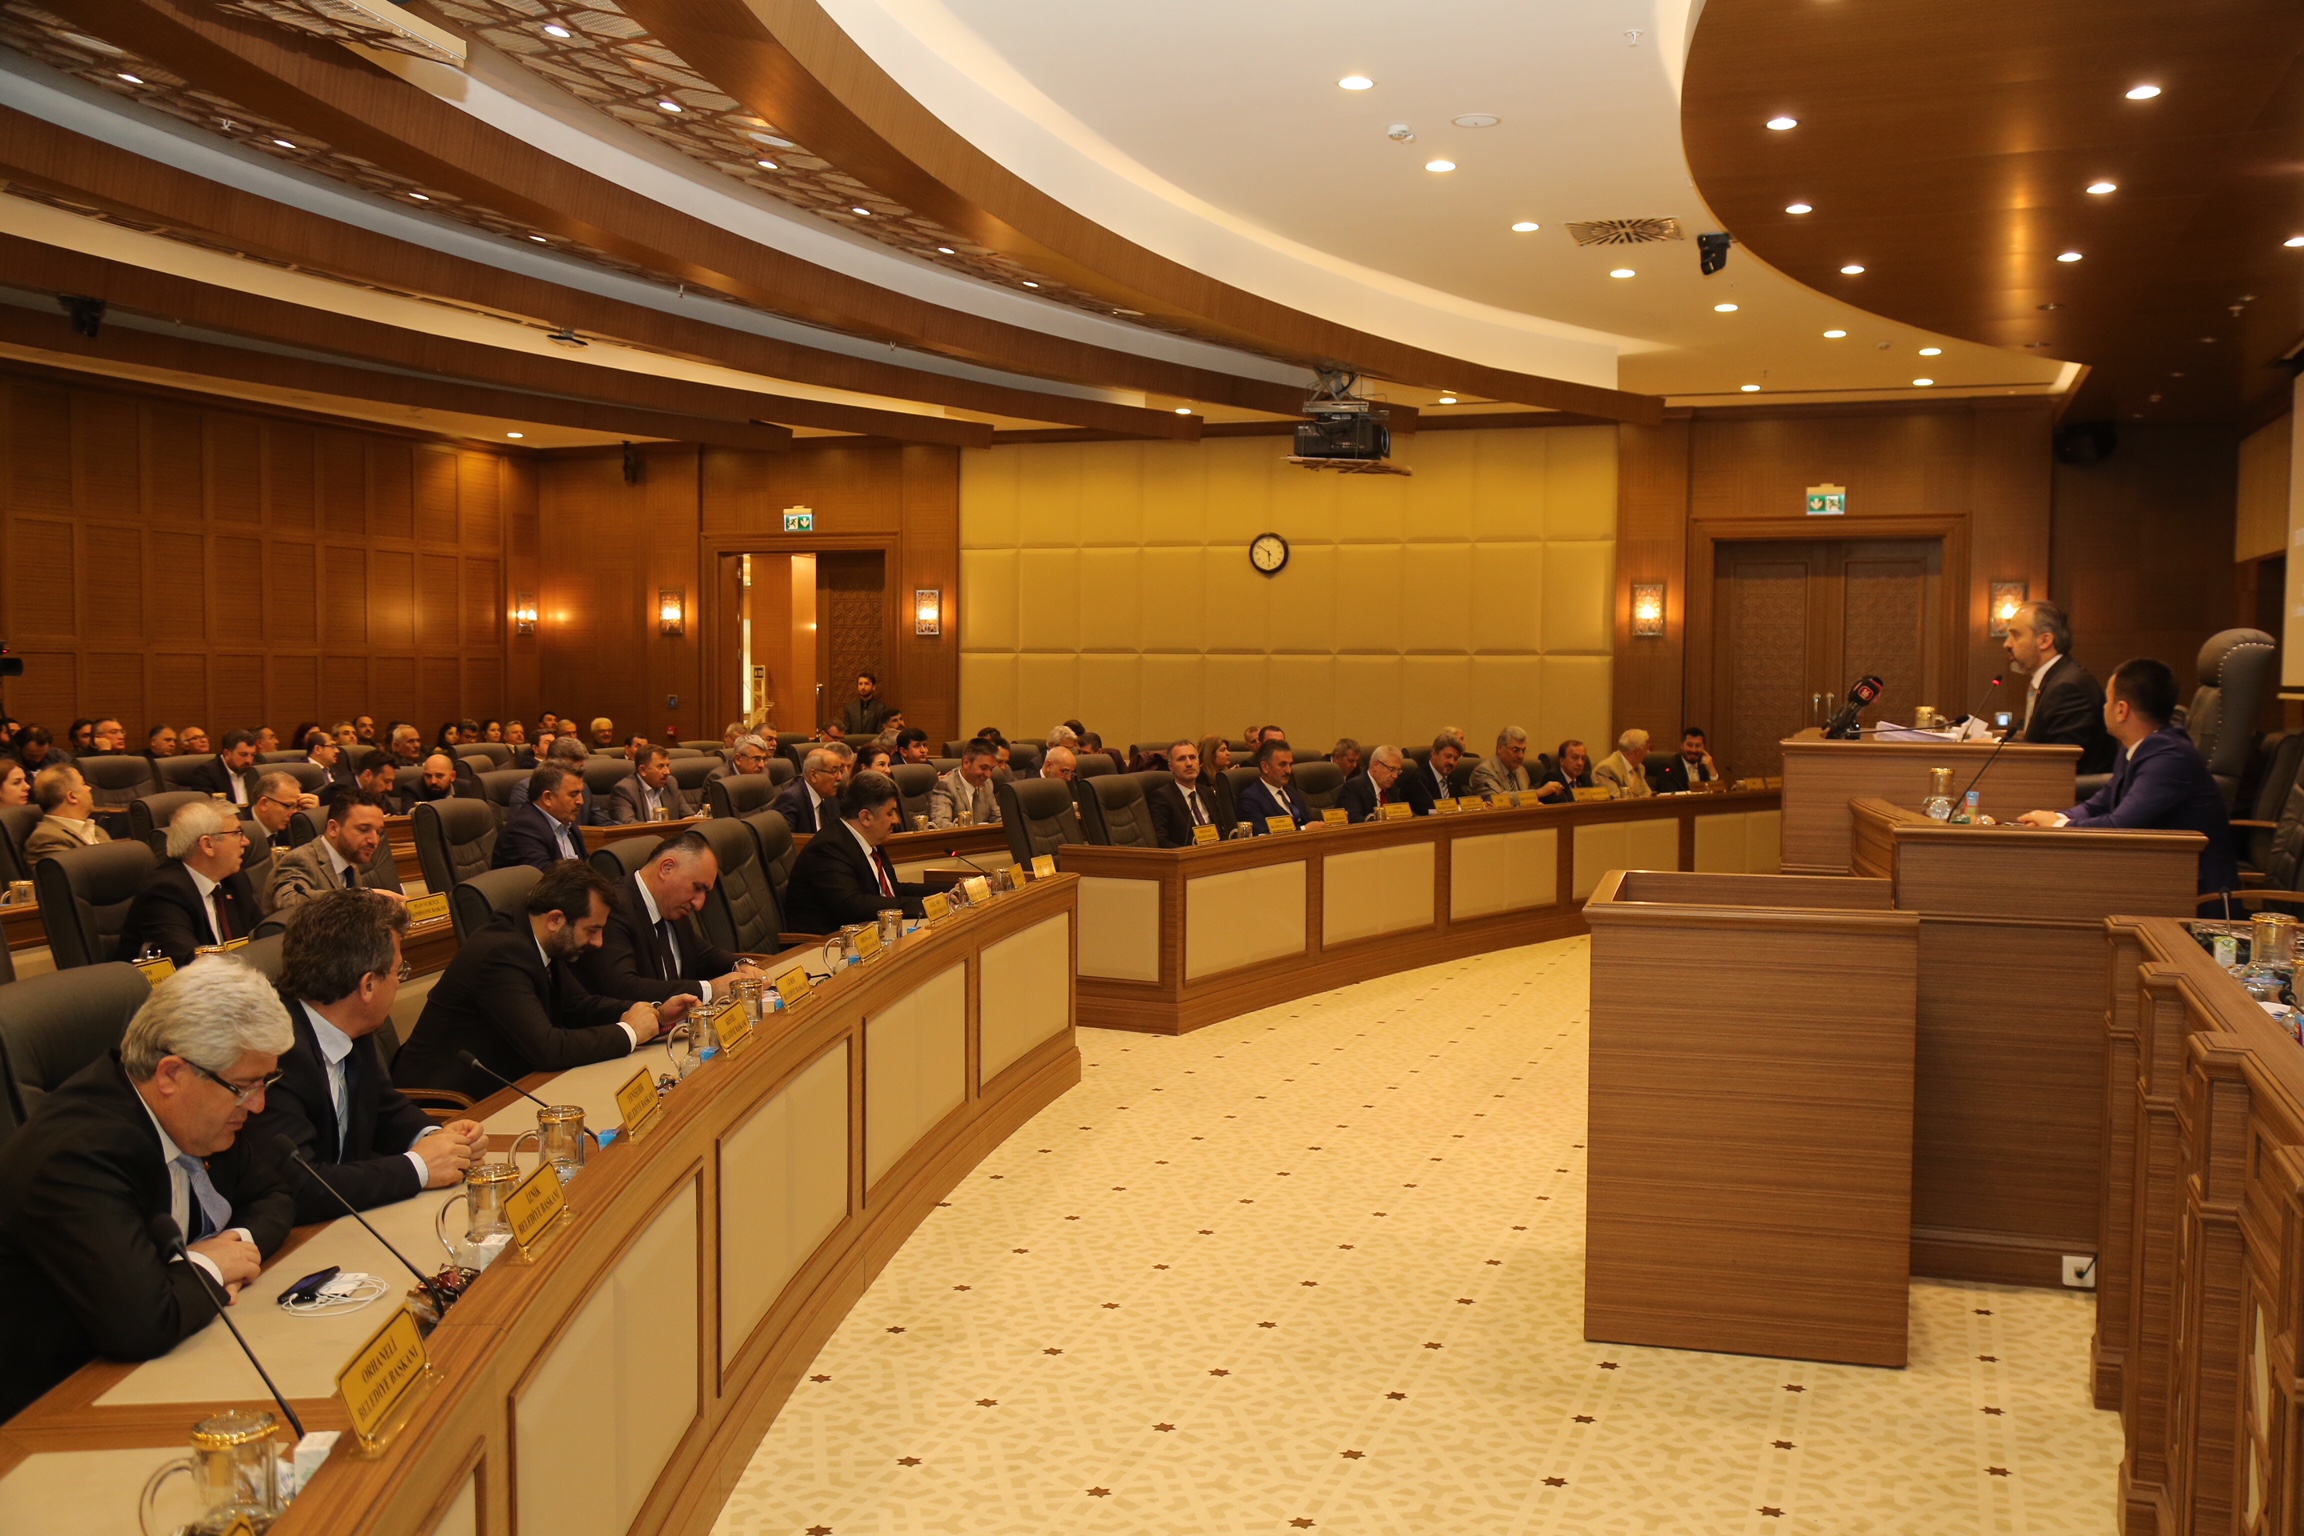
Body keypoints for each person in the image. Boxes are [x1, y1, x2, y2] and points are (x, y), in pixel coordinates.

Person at [0, 958, 297, 1422]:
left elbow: (275, 1196)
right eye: (244, 1087)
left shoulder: (199, 1115)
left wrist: (233, 1247)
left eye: (264, 1083)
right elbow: (143, 1324)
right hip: (54, 1408)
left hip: (162, 1366)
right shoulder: (78, 1155)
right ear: (170, 1074)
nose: (257, 1105)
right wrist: (208, 1265)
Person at [247, 891, 484, 1224]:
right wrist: (419, 1167)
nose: (398, 984)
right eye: (399, 972)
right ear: (368, 985)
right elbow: (299, 1186)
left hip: (353, 1216)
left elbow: (383, 1107)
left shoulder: (349, 1023)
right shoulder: (271, 1052)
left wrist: (437, 1139)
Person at [392, 862, 683, 1100]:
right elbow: (548, 1049)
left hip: (510, 1082)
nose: (598, 942)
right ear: (556, 919)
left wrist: (654, 1014)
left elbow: (578, 1005)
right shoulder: (500, 953)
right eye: (592, 930)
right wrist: (629, 1032)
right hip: (449, 1101)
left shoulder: (540, 937)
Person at [2016, 658, 2238, 893]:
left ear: (2121, 710)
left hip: (2193, 892)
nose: (2104, 708)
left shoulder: (2169, 757)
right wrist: (2056, 817)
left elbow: (2121, 824)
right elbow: (2099, 804)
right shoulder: (2137, 748)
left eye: (2107, 701)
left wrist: (2060, 825)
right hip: (2155, 874)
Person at [577, 832, 756, 1004]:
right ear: (666, 868)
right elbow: (624, 988)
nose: (699, 904)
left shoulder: (670, 906)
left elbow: (703, 955)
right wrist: (711, 989)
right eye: (697, 888)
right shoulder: (614, 908)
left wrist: (742, 965)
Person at [783, 771, 930, 932]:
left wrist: (946, 892)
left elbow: (895, 891)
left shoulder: (871, 840)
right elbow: (853, 905)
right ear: (866, 817)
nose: (896, 820)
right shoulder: (829, 847)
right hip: (827, 942)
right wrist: (924, 905)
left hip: (868, 932)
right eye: (890, 813)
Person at [118, 800, 259, 965]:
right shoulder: (164, 893)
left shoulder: (234, 880)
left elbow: (261, 937)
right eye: (237, 833)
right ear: (208, 845)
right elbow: (189, 963)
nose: (246, 841)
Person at [2004, 599, 2116, 774]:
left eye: (2016, 635)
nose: (2007, 644)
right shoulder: (2055, 679)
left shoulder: (2068, 687)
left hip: (2074, 788)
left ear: (2045, 640)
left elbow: (2060, 762)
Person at [266, 789, 403, 915]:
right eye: (363, 829)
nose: (374, 841)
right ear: (333, 828)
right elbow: (288, 902)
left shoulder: (350, 864)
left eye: (378, 832)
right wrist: (362, 896)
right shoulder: (300, 860)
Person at [495, 765, 587, 870]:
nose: (581, 801)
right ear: (547, 798)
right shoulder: (523, 829)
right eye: (573, 794)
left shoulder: (567, 821)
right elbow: (544, 876)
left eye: (581, 793)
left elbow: (585, 865)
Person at [24, 765, 110, 864]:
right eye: (83, 784)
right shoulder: (47, 839)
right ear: (72, 796)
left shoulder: (98, 830)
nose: (89, 788)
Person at [1148, 739, 1223, 847]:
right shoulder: (1162, 797)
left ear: (1199, 762)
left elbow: (1222, 830)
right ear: (1170, 767)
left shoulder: (1208, 793)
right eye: (1181, 759)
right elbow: (1162, 841)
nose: (1189, 764)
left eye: (1192, 757)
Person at [1234, 738, 1311, 833]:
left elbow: (1309, 821)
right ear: (1265, 767)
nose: (1288, 771)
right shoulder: (1250, 799)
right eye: (1282, 764)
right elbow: (1262, 834)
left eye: (1290, 764)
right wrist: (1304, 829)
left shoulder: (1292, 792)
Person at [609, 746, 693, 824]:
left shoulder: (670, 783)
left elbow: (689, 815)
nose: (667, 772)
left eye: (667, 765)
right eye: (660, 766)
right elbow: (629, 825)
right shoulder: (625, 790)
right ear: (643, 770)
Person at [929, 739, 1001, 827]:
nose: (988, 775)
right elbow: (940, 824)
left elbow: (997, 817)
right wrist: (972, 832)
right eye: (983, 768)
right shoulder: (946, 786)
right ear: (966, 763)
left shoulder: (987, 784)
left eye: (991, 769)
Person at [773, 747, 845, 834]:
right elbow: (785, 839)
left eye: (840, 771)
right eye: (833, 771)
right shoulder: (791, 800)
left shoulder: (830, 797)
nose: (840, 777)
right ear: (813, 775)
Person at [185, 729, 259, 809]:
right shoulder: (206, 773)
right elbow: (209, 809)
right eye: (243, 755)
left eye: (252, 755)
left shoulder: (252, 772)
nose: (249, 760)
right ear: (227, 754)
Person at [1338, 744, 1409, 822]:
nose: (1395, 776)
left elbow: (1402, 812)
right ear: (1375, 765)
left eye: (1398, 771)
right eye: (1391, 769)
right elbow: (1353, 818)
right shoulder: (1353, 787)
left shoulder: (1391, 787)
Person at [248, 770, 308, 853]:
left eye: (297, 806)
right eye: (288, 806)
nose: (294, 813)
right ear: (264, 804)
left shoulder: (292, 831)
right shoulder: (241, 832)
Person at [1467, 727, 1534, 799]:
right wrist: (1535, 794)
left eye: (1523, 750)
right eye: (1515, 750)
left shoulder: (1521, 771)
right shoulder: (1483, 771)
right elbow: (1499, 799)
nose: (1521, 756)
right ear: (1500, 748)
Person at [1648, 727, 1720, 794]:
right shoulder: (1668, 767)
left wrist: (1712, 770)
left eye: (1698, 746)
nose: (1693, 750)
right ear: (1681, 746)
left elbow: (1719, 794)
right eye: (1689, 745)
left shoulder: (1705, 766)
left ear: (1704, 747)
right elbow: (1671, 795)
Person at [1592, 729, 1655, 799]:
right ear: (1637, 751)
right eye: (1647, 749)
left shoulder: (1639, 768)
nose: (1648, 752)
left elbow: (1648, 794)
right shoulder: (1605, 769)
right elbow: (1616, 799)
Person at [707, 734, 773, 790]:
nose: (762, 765)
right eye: (756, 759)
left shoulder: (764, 773)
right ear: (738, 759)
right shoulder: (719, 779)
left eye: (764, 759)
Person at [353, 750, 406, 815]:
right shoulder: (343, 793)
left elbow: (395, 818)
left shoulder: (379, 795)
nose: (390, 788)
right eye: (386, 781)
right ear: (368, 775)